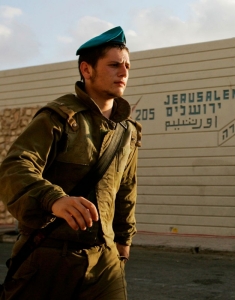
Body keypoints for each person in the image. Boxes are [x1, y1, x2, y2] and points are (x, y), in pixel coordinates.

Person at [0, 26, 141, 299]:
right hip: (50, 254)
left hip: (105, 260)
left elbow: (125, 188)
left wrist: (123, 239)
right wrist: (53, 199)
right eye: (114, 65)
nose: (123, 72)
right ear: (87, 70)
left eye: (127, 66)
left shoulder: (127, 130)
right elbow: (15, 166)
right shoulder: (59, 117)